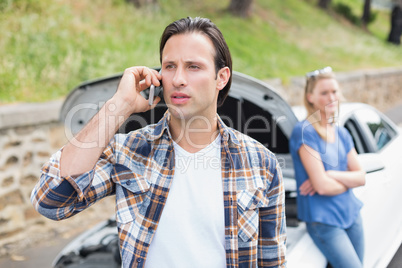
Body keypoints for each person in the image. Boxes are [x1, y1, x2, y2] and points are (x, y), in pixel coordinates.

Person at [31, 17, 286, 267]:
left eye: (193, 67)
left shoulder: (261, 163)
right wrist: (119, 106)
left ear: (221, 77)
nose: (178, 79)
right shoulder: (130, 151)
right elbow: (50, 201)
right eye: (170, 66)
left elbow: (271, 261)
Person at [289, 67, 366, 268]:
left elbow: (361, 177)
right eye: (324, 93)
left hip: (351, 213)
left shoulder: (342, 133)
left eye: (334, 91)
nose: (331, 97)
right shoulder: (304, 132)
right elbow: (322, 187)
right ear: (310, 97)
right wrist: (345, 180)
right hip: (324, 221)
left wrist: (330, 174)